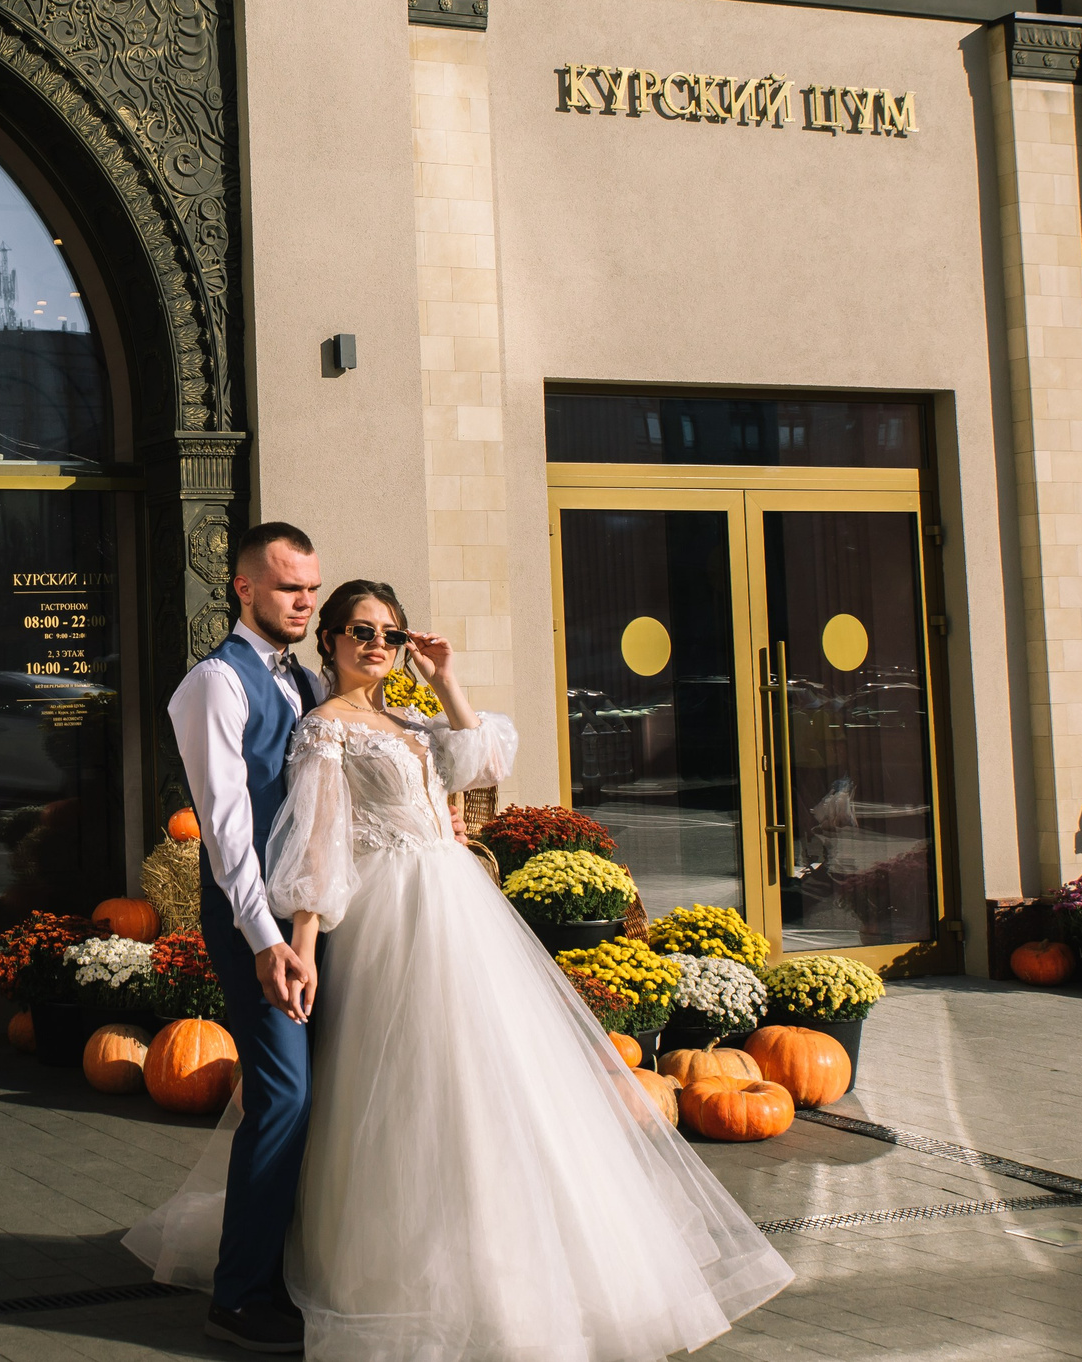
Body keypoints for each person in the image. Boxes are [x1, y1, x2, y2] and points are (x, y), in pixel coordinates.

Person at [131, 578, 794, 1362]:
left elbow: (479, 762)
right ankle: (399, 1276)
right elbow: (316, 846)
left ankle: (511, 1263)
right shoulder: (322, 729)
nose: (375, 644)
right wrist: (303, 946)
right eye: (358, 630)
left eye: (389, 632)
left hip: (457, 906)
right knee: (407, 1090)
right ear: (331, 642)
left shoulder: (409, 718)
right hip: (388, 915)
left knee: (492, 1080)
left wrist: (445, 679)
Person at [155, 521, 325, 1352]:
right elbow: (226, 828)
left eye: (312, 587)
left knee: (320, 1090)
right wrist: (265, 940)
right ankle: (241, 1293)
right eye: (289, 585)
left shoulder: (309, 680)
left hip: (312, 921)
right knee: (282, 1095)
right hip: (252, 921)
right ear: (244, 588)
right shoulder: (214, 685)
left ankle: (296, 1267)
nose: (304, 600)